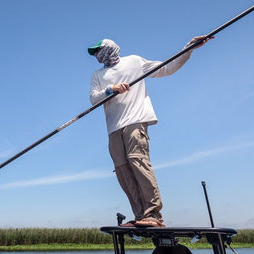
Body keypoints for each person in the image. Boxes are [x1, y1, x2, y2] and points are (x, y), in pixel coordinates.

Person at [88, 35, 211, 227]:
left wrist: (189, 48)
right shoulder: (97, 75)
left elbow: (166, 68)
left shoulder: (134, 62)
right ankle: (140, 216)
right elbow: (94, 99)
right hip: (113, 127)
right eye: (95, 53)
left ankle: (153, 214)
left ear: (110, 48)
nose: (96, 55)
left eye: (98, 50)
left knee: (138, 162)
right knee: (122, 169)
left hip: (135, 120)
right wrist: (111, 89)